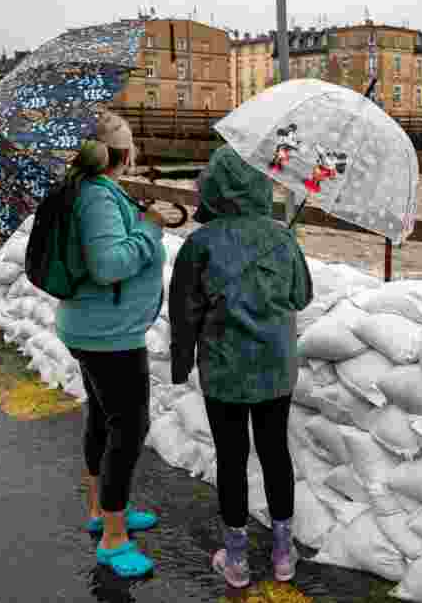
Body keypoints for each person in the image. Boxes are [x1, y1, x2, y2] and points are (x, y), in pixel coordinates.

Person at [169, 145, 313, 589]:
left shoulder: (199, 245)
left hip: (225, 371)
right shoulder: (282, 238)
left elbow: (184, 315)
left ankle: (236, 561)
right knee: (275, 454)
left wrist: (180, 363)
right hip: (275, 368)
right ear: (257, 188)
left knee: (231, 459)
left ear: (212, 189)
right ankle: (283, 554)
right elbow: (301, 296)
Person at [54, 111, 167, 579]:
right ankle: (114, 538)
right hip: (109, 336)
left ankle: (102, 509)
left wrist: (135, 217)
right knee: (128, 427)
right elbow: (106, 264)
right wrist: (149, 230)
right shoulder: (96, 196)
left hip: (95, 327)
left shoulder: (88, 189)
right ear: (122, 153)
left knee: (103, 418)